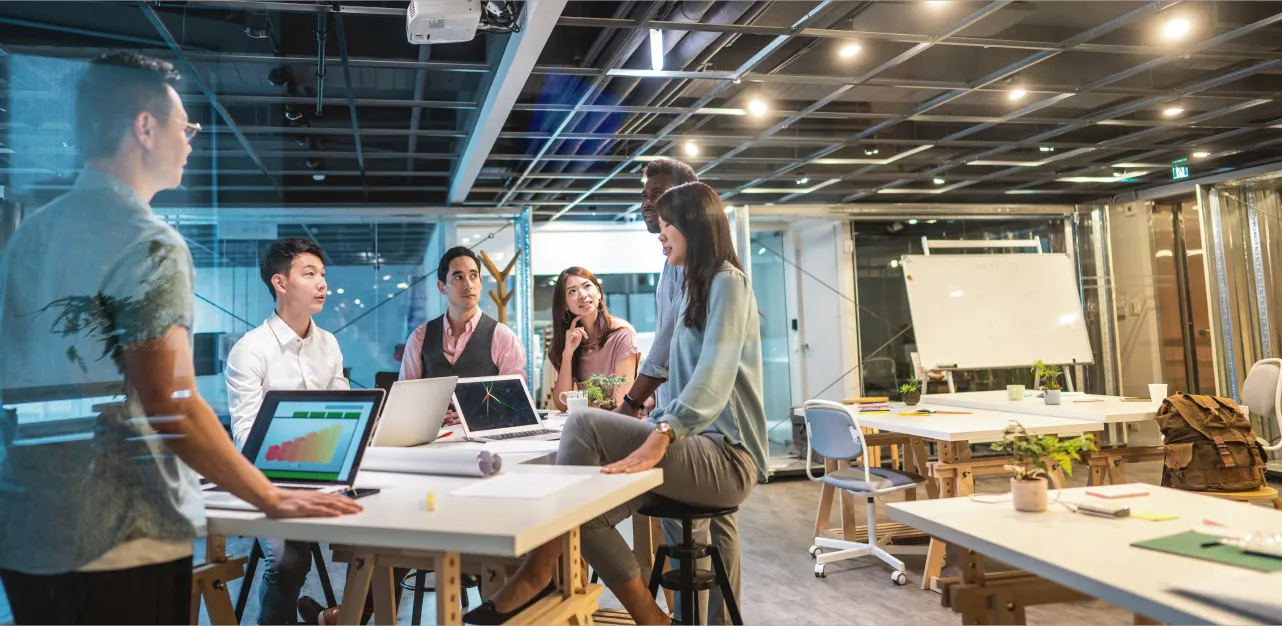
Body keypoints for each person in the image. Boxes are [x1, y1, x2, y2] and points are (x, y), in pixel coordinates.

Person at [0, 52, 358, 626]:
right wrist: (269, 498)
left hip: (28, 529)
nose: (191, 140)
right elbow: (174, 403)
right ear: (145, 127)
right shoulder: (147, 241)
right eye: (185, 126)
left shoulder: (32, 235)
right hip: (122, 530)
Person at [463, 181, 768, 626]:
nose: (660, 235)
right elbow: (666, 366)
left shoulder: (728, 283)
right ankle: (655, 619)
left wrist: (661, 432)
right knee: (583, 517)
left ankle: (538, 572)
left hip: (728, 454)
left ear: (694, 225)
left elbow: (714, 376)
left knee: (582, 426)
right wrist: (643, 420)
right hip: (690, 443)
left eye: (666, 226)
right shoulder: (688, 287)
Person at [619, 158, 741, 624]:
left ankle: (704, 621)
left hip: (706, 426)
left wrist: (634, 405)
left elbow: (667, 349)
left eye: (659, 195)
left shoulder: (718, 277)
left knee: (707, 526)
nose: (649, 203)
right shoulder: (675, 267)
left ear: (689, 202)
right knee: (697, 528)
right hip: (681, 419)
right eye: (646, 195)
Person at [224, 238, 349, 625]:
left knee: (384, 538)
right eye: (309, 274)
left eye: (323, 275)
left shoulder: (328, 344)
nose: (322, 284)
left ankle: (341, 617)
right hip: (270, 481)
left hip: (330, 473)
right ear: (280, 283)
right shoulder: (250, 349)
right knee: (291, 561)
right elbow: (246, 436)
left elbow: (345, 415)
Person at [398, 246, 527, 425]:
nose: (468, 284)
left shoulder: (502, 336)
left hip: (485, 440)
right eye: (458, 277)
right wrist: (427, 415)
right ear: (442, 287)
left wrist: (475, 412)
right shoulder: (419, 337)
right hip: (433, 441)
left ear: (481, 283)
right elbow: (405, 399)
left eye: (473, 276)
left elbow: (516, 400)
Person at [548, 267, 640, 412]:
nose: (582, 295)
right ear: (565, 304)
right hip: (588, 421)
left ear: (598, 292)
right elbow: (562, 404)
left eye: (587, 286)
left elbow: (621, 400)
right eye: (572, 291)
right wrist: (568, 355)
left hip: (618, 421)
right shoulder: (570, 340)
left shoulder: (622, 333)